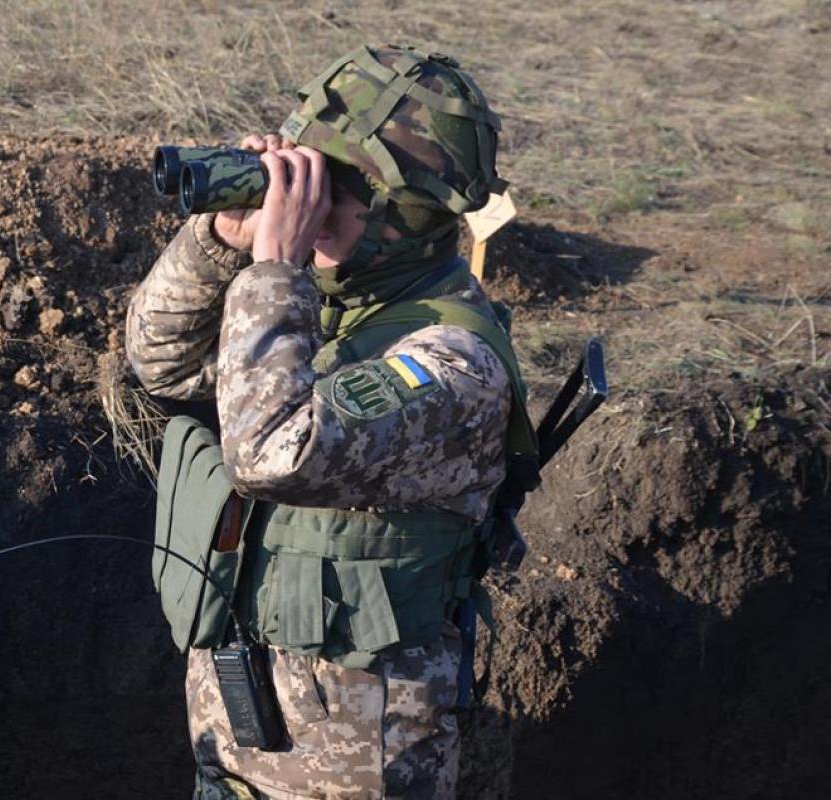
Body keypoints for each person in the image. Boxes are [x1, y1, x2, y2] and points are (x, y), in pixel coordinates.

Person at [126, 45, 523, 799]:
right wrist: (223, 245)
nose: (303, 202)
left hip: (354, 769)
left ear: (404, 213)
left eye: (332, 188)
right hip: (242, 740)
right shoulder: (320, 312)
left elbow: (272, 454)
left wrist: (275, 270)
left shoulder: (453, 362)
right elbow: (161, 363)